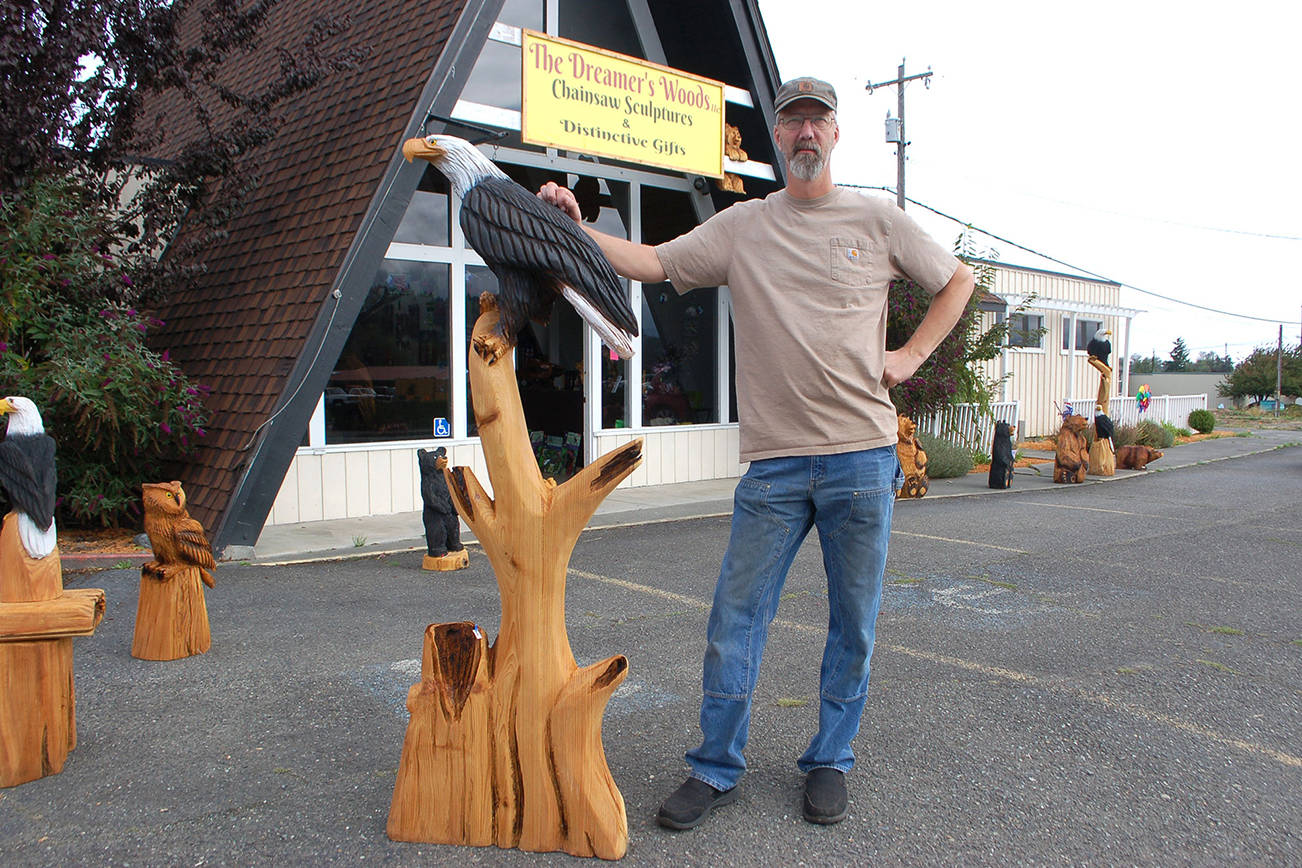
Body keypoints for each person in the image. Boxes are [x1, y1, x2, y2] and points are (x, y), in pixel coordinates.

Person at [538, 76, 975, 829]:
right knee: (734, 620)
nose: (805, 132)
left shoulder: (876, 218)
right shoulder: (745, 226)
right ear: (778, 136)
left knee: (853, 624)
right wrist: (577, 229)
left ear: (835, 133)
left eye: (817, 120)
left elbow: (957, 281)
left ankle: (831, 759)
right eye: (792, 121)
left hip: (861, 459)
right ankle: (715, 767)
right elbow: (652, 261)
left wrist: (909, 356)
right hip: (773, 466)